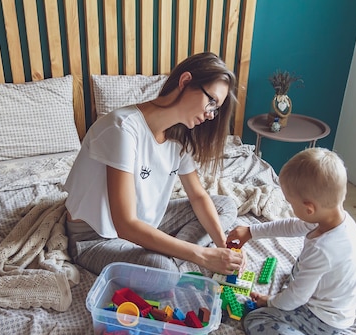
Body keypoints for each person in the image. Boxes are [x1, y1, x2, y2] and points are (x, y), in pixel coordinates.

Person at [64, 52, 245, 276]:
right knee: (163, 272)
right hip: (96, 238)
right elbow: (125, 224)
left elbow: (198, 196)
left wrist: (223, 246)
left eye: (215, 109)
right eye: (211, 102)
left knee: (225, 206)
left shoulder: (179, 137)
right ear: (185, 81)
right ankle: (170, 255)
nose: (210, 115)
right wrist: (201, 255)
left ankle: (166, 250)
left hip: (147, 223)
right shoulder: (123, 129)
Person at [226, 147, 356, 335]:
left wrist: (270, 302)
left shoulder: (323, 248)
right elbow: (293, 226)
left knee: (255, 322)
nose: (289, 207)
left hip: (324, 319)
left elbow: (296, 298)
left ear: (309, 208)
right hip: (334, 302)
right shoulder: (335, 219)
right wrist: (251, 231)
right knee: (294, 277)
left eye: (291, 203)